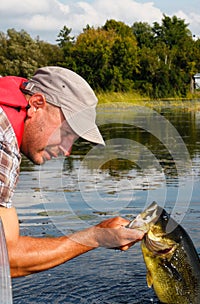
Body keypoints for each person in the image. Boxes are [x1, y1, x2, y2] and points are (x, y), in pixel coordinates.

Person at [0, 66, 144, 278]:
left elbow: (8, 241)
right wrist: (96, 237)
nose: (67, 150)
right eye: (66, 132)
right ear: (37, 104)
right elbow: (6, 259)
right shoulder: (3, 142)